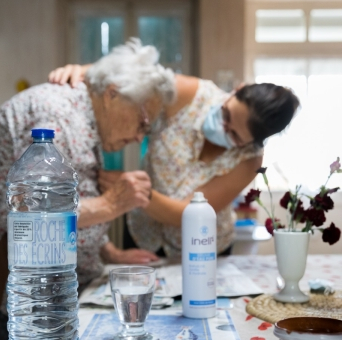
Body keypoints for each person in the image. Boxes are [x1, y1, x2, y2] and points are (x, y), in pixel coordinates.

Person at [0, 39, 174, 340]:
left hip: (33, 287)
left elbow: (75, 196)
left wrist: (110, 251)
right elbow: (37, 215)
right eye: (143, 121)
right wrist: (114, 203)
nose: (139, 136)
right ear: (114, 94)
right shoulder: (56, 116)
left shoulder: (84, 116)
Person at [49, 45, 299, 257]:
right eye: (226, 113)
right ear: (235, 90)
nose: (222, 127)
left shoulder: (249, 160)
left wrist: (134, 192)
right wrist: (84, 71)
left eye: (234, 134)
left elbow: (188, 214)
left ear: (251, 143)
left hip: (201, 247)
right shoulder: (191, 93)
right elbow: (133, 77)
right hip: (143, 232)